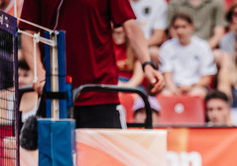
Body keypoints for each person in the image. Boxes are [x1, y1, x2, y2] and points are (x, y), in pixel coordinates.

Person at [20, 0, 164, 130]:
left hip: (101, 94)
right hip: (55, 95)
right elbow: (28, 33)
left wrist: (147, 64)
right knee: (54, 151)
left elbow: (130, 25)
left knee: (102, 153)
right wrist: (39, 73)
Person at [160, 11, 217, 98]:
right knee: (165, 95)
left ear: (191, 27)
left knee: (197, 93)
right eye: (176, 27)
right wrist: (173, 88)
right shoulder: (166, 47)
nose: (180, 31)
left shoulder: (203, 46)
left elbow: (206, 78)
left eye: (183, 27)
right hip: (174, 87)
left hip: (196, 86)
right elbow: (167, 75)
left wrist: (191, 86)